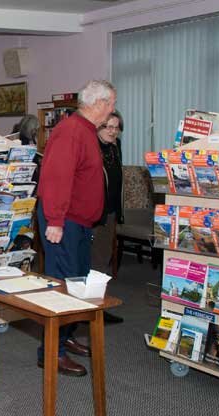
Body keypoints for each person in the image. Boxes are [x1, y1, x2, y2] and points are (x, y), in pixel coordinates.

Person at [36, 79, 116, 377]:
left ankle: (66, 338)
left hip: (78, 222)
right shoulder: (71, 131)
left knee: (77, 285)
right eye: (110, 104)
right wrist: (55, 221)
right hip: (64, 222)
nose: (112, 110)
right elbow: (57, 178)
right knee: (61, 287)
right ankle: (51, 353)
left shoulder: (85, 131)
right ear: (98, 104)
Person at [92, 111, 125, 324]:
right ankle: (86, 309)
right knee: (90, 260)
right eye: (108, 127)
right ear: (98, 127)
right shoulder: (91, 147)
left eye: (116, 127)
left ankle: (98, 308)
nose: (112, 131)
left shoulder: (116, 147)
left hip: (111, 211)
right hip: (95, 212)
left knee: (103, 260)